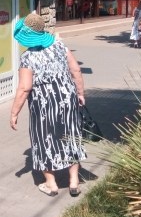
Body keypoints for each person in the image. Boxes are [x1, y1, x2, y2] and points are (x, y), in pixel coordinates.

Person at [9, 12, 87, 197]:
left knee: (44, 138)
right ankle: (74, 182)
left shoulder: (28, 57)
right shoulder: (60, 46)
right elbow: (76, 70)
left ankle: (51, 185)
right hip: (67, 98)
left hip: (44, 104)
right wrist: (80, 93)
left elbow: (25, 88)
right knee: (70, 135)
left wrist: (14, 113)